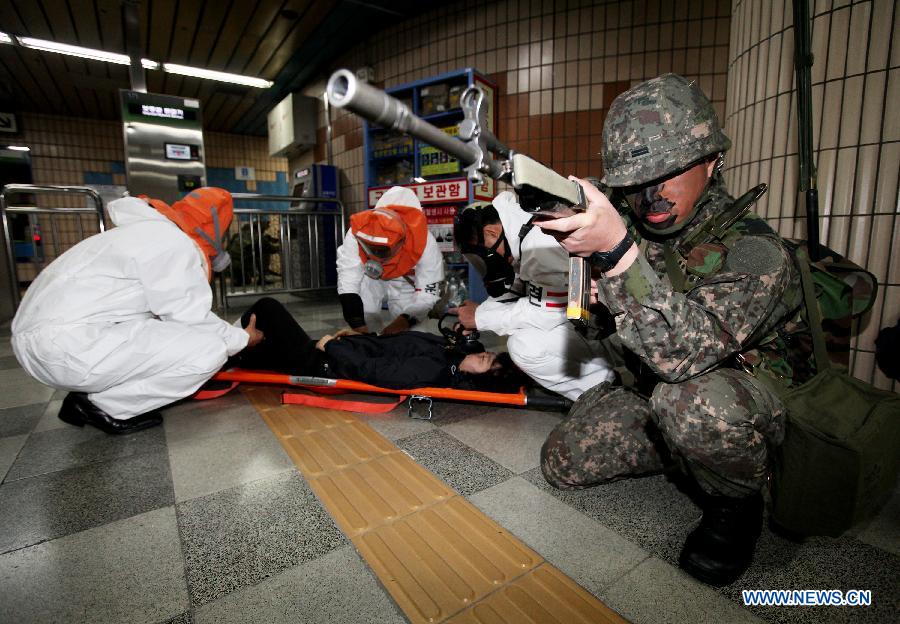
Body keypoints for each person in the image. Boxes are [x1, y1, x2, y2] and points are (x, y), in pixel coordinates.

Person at [536, 74, 809, 586]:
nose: (651, 194)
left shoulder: (756, 253)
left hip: (736, 400)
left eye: (668, 172)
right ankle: (687, 453)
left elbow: (682, 357)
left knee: (690, 405)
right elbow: (603, 335)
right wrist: (594, 290)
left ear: (711, 162)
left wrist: (618, 255)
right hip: (659, 390)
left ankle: (737, 504)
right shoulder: (642, 234)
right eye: (636, 180)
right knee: (562, 462)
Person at [11, 188, 264, 435]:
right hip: (68, 348)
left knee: (164, 335)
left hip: (43, 346)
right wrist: (242, 339)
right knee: (209, 350)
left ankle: (94, 394)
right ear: (212, 229)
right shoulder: (172, 243)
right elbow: (190, 316)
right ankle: (105, 406)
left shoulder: (139, 234)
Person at [451, 191, 615, 400]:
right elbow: (517, 289)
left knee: (523, 347)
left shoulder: (538, 245)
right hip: (600, 317)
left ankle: (603, 394)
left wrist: (480, 318)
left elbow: (546, 313)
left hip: (611, 330)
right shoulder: (523, 223)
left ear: (491, 233)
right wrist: (478, 314)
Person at [228, 297, 524, 391]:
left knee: (267, 309)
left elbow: (372, 370)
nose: (486, 354)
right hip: (345, 348)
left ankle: (230, 349)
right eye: (489, 353)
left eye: (486, 361)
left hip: (324, 361)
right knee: (266, 345)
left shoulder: (433, 372)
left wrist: (332, 347)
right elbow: (394, 345)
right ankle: (235, 354)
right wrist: (466, 342)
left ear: (475, 379)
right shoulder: (452, 358)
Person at [336, 186, 444, 334]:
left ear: (402, 242)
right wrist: (357, 324)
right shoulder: (360, 230)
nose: (375, 254)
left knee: (413, 330)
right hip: (370, 275)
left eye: (381, 250)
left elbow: (427, 293)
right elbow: (348, 280)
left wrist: (401, 323)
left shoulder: (425, 242)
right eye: (371, 248)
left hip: (405, 278)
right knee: (366, 311)